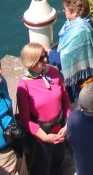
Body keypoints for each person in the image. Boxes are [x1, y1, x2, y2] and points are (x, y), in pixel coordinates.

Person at [16, 44, 70, 175]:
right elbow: (25, 119)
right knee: (41, 169)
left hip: (60, 131)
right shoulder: (24, 86)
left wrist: (67, 125)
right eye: (41, 59)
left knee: (58, 164)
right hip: (41, 138)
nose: (45, 60)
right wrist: (46, 138)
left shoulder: (54, 72)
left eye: (45, 56)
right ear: (31, 63)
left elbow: (65, 99)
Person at [50, 0, 93, 100]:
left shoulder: (78, 31)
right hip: (82, 72)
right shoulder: (83, 24)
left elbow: (65, 57)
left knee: (77, 103)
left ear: (74, 12)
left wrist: (49, 53)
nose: (63, 11)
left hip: (77, 77)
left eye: (65, 9)